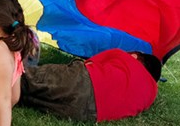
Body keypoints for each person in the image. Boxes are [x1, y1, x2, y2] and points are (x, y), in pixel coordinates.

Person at [19, 49, 160, 122]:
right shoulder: (152, 93)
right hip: (85, 115)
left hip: (86, 81)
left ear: (135, 55)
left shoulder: (123, 56)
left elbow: (90, 64)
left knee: (25, 77)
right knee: (29, 96)